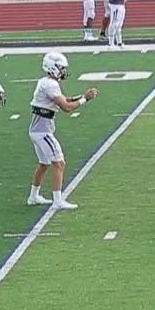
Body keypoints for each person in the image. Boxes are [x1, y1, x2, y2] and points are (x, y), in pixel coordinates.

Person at [28, 51, 98, 210]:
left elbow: (63, 99)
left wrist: (81, 96)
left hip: (38, 129)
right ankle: (58, 200)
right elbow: (66, 107)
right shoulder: (50, 84)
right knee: (59, 163)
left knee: (44, 163)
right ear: (52, 67)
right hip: (42, 131)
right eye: (60, 67)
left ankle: (33, 196)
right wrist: (85, 99)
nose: (63, 71)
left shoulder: (46, 82)